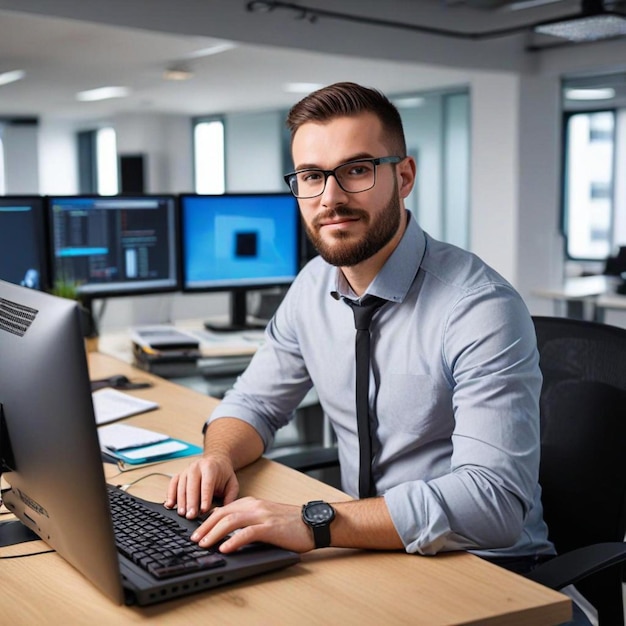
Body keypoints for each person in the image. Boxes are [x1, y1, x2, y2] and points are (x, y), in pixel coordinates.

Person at [166, 82, 590, 625]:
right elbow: (253, 403)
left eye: (357, 169)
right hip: (369, 554)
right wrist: (218, 457)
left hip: (491, 570)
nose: (330, 197)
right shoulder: (312, 287)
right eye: (311, 176)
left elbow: (493, 505)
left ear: (404, 176)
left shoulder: (478, 307)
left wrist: (317, 521)